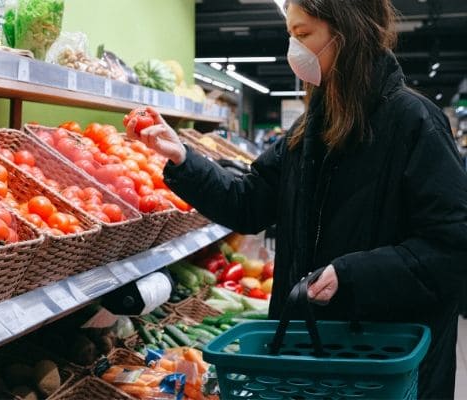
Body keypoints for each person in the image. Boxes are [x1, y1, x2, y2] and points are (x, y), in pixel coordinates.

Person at [125, 0, 467, 398]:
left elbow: (452, 247)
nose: (294, 49)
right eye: (290, 35)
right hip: (313, 353)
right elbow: (248, 201)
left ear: (348, 32)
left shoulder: (415, 123)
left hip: (388, 363)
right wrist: (182, 157)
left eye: (303, 35)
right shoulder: (310, 129)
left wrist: (353, 275)